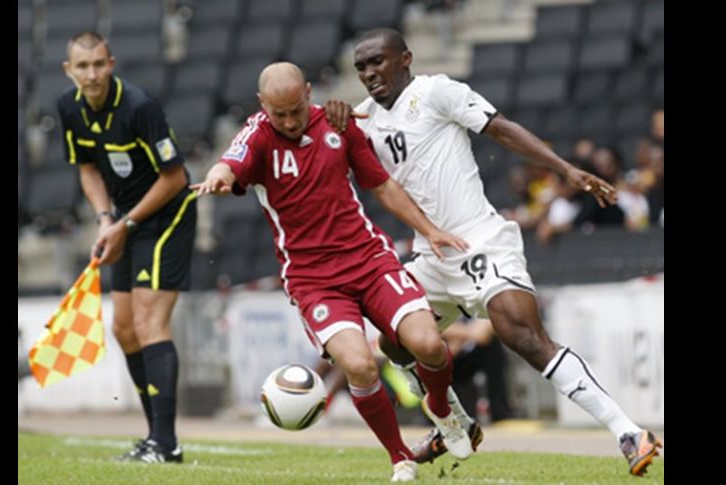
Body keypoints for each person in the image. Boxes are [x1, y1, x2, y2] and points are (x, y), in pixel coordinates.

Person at [324, 28, 662, 476]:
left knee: (522, 335)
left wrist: (565, 169)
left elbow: (500, 129)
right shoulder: (362, 122)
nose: (369, 74)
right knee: (394, 342)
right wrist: (331, 125)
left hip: (479, 239)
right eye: (361, 67)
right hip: (431, 255)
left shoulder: (437, 91)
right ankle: (457, 423)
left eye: (377, 62)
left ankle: (627, 432)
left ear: (405, 58)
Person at [193, 62, 472, 482]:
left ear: (308, 92)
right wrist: (218, 174)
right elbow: (231, 161)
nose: (288, 122)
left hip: (369, 259)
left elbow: (381, 185)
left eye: (296, 110)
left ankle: (441, 407)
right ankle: (400, 458)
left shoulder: (339, 123)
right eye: (278, 113)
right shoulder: (258, 133)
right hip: (313, 280)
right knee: (359, 366)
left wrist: (429, 230)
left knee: (429, 344)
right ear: (261, 104)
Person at [58, 32, 196, 464]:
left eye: (99, 64)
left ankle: (166, 443)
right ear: (70, 71)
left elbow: (175, 177)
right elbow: (88, 168)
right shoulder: (69, 109)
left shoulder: (140, 106)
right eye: (83, 67)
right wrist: (105, 220)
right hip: (124, 222)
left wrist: (126, 223)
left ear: (111, 63)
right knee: (124, 329)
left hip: (166, 216)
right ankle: (154, 437)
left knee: (150, 321)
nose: (92, 74)